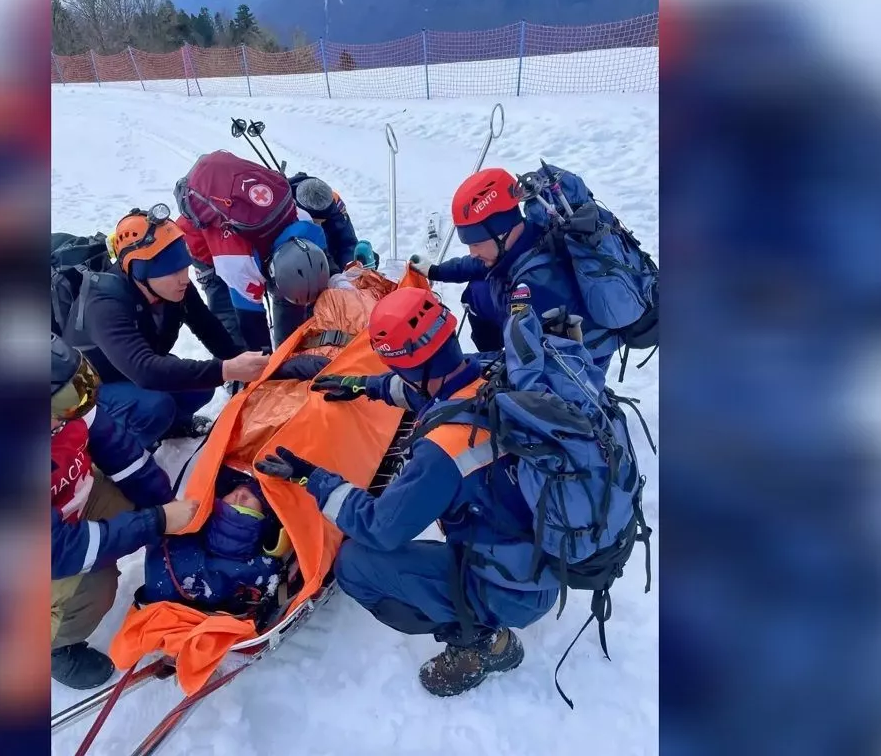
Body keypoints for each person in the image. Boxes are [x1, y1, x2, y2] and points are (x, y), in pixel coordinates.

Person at [257, 288, 648, 699]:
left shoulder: (444, 452)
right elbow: (433, 387)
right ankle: (484, 615)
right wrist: (365, 386)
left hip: (511, 589)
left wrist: (314, 480)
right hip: (544, 561)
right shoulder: (495, 368)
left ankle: (480, 643)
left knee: (356, 564)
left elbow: (379, 528)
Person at [50, 334, 199, 690]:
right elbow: (58, 552)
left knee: (134, 508)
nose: (76, 412)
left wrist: (163, 509)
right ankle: (55, 645)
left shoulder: (69, 408)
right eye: (64, 406)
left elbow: (124, 456)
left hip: (72, 500)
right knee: (95, 584)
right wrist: (157, 520)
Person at [410, 167, 655, 371]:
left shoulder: (531, 288)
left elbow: (527, 361)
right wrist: (436, 271)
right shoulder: (531, 231)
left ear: (501, 233)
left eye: (475, 243)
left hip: (577, 363)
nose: (472, 252)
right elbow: (478, 263)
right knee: (478, 290)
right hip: (555, 333)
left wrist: (465, 369)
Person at [65, 207, 270, 446]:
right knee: (154, 408)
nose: (184, 278)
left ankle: (172, 427)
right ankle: (118, 451)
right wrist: (226, 369)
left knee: (200, 387)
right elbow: (145, 370)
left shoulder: (172, 287)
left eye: (184, 267)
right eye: (172, 272)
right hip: (90, 388)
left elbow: (208, 328)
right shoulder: (103, 304)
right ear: (139, 269)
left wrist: (246, 362)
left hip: (129, 369)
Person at [175, 153, 343, 349]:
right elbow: (251, 322)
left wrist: (340, 281)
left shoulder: (307, 227)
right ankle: (236, 371)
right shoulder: (237, 263)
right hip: (202, 244)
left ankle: (289, 350)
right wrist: (261, 363)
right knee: (228, 317)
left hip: (254, 225)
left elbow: (324, 268)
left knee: (291, 302)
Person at [135, 470, 288, 616]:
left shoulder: (180, 539)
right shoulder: (261, 568)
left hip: (164, 607)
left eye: (253, 498)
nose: (240, 495)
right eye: (234, 492)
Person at [174, 213, 244, 349]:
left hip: (196, 233)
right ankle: (235, 361)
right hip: (202, 243)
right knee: (226, 313)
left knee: (227, 312)